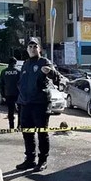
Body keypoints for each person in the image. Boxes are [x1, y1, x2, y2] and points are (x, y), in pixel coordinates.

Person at [16, 37, 62, 172]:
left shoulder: (44, 62)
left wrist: (50, 72)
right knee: (27, 133)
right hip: (25, 104)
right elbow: (21, 83)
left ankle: (43, 161)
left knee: (42, 133)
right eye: (30, 47)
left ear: (39, 49)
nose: (32, 49)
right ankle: (30, 159)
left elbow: (57, 77)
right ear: (27, 49)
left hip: (40, 104)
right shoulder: (25, 64)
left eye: (35, 46)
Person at [0, 57, 21, 129]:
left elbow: (1, 84)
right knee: (20, 110)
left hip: (8, 93)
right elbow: (22, 83)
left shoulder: (4, 72)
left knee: (10, 110)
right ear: (15, 63)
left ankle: (11, 126)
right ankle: (19, 125)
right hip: (18, 94)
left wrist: (3, 95)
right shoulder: (18, 71)